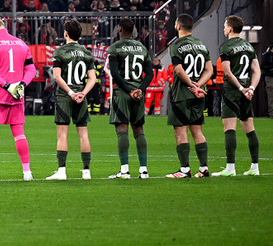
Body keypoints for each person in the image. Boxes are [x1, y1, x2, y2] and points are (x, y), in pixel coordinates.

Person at [0, 17, 37, 182]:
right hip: (17, 95)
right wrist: (21, 85)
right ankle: (27, 172)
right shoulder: (21, 43)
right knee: (19, 134)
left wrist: (6, 86)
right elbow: (31, 69)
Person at [46, 20, 98, 180]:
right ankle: (86, 172)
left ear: (65, 34)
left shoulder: (60, 52)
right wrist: (82, 93)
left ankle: (61, 171)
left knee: (62, 135)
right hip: (81, 98)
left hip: (64, 97)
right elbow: (92, 79)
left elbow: (56, 76)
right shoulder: (87, 53)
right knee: (83, 134)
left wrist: (70, 93)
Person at [104, 18, 154, 179]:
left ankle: (124, 170)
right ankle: (143, 170)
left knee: (122, 130)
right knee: (139, 130)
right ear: (133, 31)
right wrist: (140, 89)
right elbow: (150, 74)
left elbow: (115, 73)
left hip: (122, 93)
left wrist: (129, 90)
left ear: (119, 29)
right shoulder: (142, 48)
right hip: (138, 93)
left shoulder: (115, 48)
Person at [166, 13, 214, 177]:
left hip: (182, 94)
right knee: (197, 130)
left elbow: (179, 70)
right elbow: (210, 70)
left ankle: (185, 169)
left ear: (178, 26)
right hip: (199, 94)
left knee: (180, 131)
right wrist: (199, 85)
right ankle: (204, 168)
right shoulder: (201, 44)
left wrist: (190, 85)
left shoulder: (176, 44)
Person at [214, 15, 261, 176]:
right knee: (250, 129)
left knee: (229, 128)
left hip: (233, 91)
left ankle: (230, 168)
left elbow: (227, 73)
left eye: (225, 26)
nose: (223, 29)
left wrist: (241, 88)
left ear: (230, 28)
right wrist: (251, 88)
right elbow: (256, 70)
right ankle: (255, 168)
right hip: (247, 90)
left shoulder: (226, 47)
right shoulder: (249, 47)